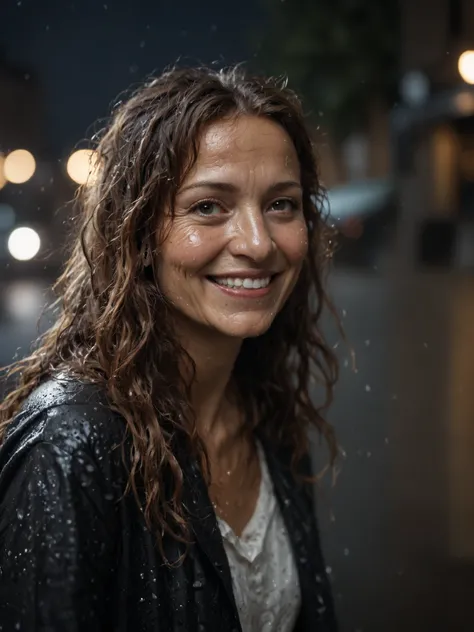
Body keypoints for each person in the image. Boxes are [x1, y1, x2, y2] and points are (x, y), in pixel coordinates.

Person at [0, 65, 340, 632]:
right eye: (209, 206)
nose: (257, 244)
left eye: (281, 204)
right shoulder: (72, 443)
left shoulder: (268, 415)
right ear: (136, 232)